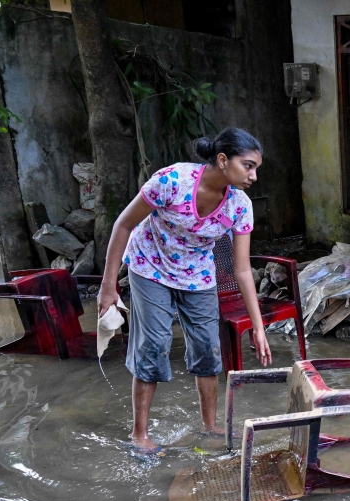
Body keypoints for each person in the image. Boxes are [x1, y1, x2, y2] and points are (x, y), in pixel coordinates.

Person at [97, 127, 272, 450]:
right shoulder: (172, 182)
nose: (254, 176)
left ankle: (209, 426)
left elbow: (243, 269)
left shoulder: (239, 205)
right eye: (248, 166)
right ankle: (140, 434)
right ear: (223, 160)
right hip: (150, 266)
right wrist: (108, 287)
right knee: (154, 343)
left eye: (256, 168)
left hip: (197, 274)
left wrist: (258, 327)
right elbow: (124, 224)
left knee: (207, 345)